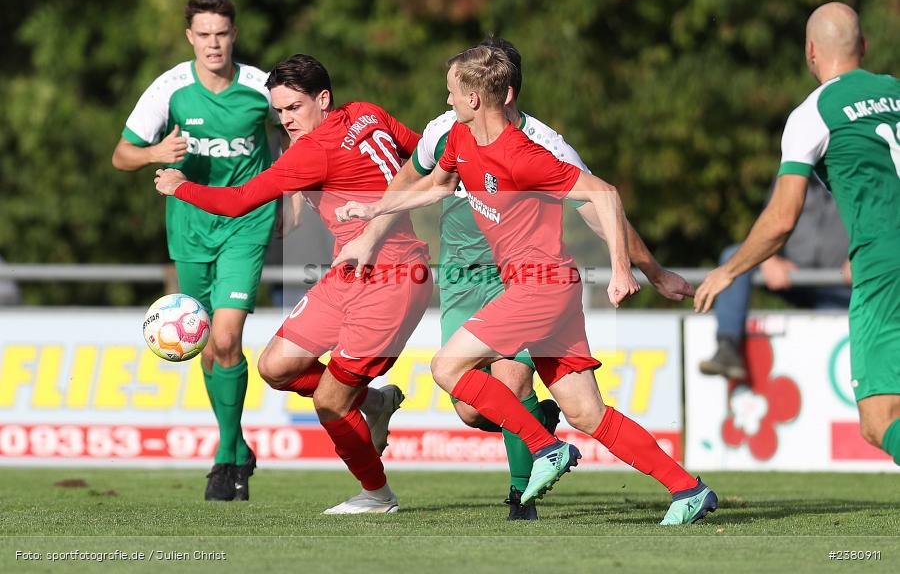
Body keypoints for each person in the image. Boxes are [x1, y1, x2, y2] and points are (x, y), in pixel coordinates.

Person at [338, 46, 717, 524]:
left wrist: (625, 269)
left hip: (541, 286)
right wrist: (374, 210)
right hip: (541, 289)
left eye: (453, 90)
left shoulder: (526, 154)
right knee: (586, 413)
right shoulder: (457, 137)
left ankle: (544, 447)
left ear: (475, 98)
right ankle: (688, 489)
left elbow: (605, 194)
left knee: (447, 367)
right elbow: (435, 186)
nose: (446, 97)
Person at [155, 54, 433, 514]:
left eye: (294, 108)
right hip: (349, 273)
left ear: (322, 100)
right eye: (278, 111)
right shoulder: (367, 112)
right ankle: (375, 402)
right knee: (276, 366)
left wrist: (179, 185)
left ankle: (377, 495)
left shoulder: (313, 149)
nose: (285, 119)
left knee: (328, 401)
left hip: (393, 277)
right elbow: (424, 153)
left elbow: (238, 201)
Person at [695, 2, 900, 465]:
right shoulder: (896, 92)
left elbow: (782, 217)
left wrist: (730, 271)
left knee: (879, 419)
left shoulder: (815, 111)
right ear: (863, 47)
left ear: (811, 52)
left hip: (885, 266)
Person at [112, 0, 276, 501]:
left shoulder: (259, 88)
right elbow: (121, 155)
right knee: (208, 344)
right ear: (190, 37)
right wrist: (156, 153)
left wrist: (293, 191)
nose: (213, 43)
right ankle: (238, 447)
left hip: (246, 223)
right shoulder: (169, 89)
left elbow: (300, 129)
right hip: (189, 228)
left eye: (221, 33)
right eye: (203, 34)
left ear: (234, 35)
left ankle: (224, 461)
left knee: (227, 337)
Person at [700, 177, 852, 379]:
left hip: (839, 285)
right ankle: (727, 348)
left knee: (832, 340)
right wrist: (767, 259)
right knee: (733, 258)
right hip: (792, 277)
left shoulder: (858, 174)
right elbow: (771, 223)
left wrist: (864, 254)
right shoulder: (791, 175)